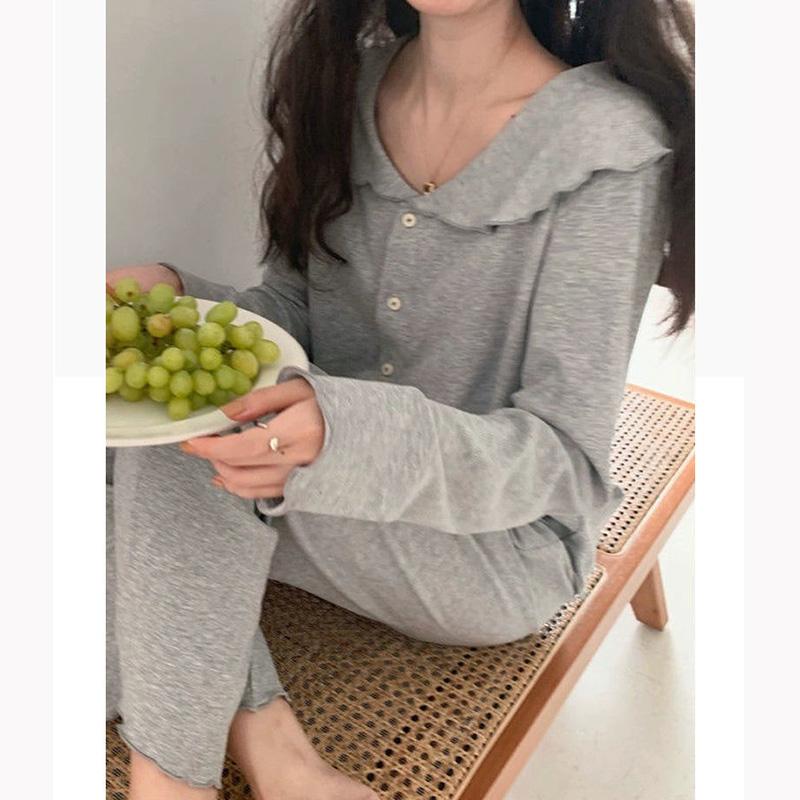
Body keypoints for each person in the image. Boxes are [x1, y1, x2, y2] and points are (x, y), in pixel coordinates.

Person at [106, 0, 694, 797]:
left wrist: (345, 436)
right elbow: (298, 311)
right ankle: (271, 744)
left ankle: (170, 780)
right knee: (97, 448)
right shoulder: (343, 82)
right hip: (311, 487)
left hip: (489, 549)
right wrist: (182, 302)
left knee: (171, 453)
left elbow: (562, 462)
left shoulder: (607, 145)